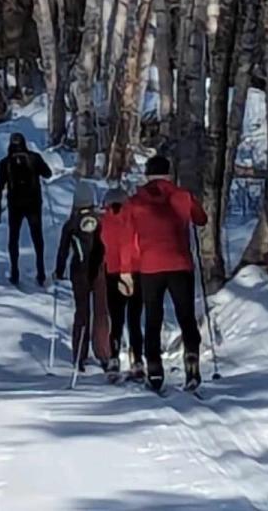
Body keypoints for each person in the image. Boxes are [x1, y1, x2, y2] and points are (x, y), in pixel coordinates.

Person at [118, 155, 207, 392]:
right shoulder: (182, 196)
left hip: (150, 267)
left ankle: (155, 370)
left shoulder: (135, 202)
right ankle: (192, 364)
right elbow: (201, 219)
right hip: (180, 264)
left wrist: (126, 271)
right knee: (186, 316)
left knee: (153, 319)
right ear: (169, 174)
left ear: (147, 175)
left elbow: (127, 239)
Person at [54, 183, 110, 373]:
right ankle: (103, 353)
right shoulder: (101, 220)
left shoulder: (71, 223)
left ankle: (79, 354)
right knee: (101, 312)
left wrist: (58, 272)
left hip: (79, 271)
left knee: (82, 312)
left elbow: (63, 250)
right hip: (100, 271)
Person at [0, 132, 52, 286]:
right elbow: (48, 174)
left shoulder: (5, 163)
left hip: (15, 205)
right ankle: (41, 273)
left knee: (14, 238)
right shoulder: (34, 158)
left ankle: (14, 273)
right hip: (33, 204)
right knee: (37, 238)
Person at [100, 187, 144, 381]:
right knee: (135, 319)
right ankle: (137, 360)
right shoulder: (135, 220)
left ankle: (114, 358)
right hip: (137, 272)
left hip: (113, 273)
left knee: (116, 319)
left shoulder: (104, 222)